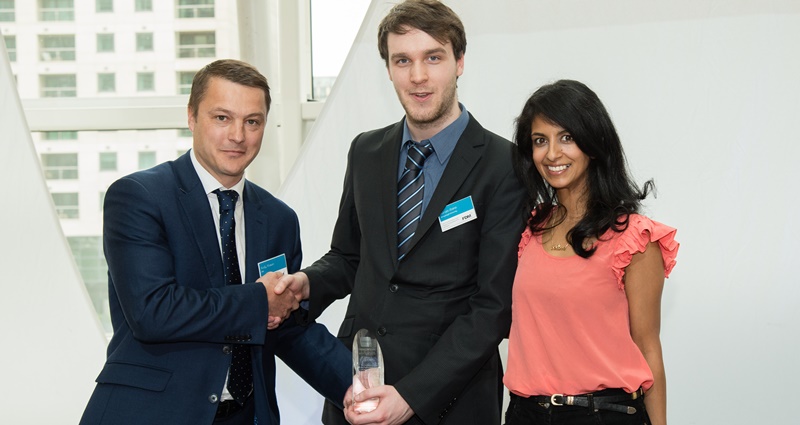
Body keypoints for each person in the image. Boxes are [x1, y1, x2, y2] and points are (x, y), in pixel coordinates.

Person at [274, 1, 525, 424]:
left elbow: (493, 307)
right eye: (402, 60)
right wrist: (305, 285)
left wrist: (411, 395)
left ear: (460, 62)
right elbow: (349, 257)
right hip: (357, 392)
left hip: (451, 402)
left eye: (433, 57)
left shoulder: (506, 165)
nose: (418, 76)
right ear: (388, 69)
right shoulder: (366, 151)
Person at [79, 59, 350, 425]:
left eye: (252, 121)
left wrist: (361, 389)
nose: (238, 135)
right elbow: (153, 313)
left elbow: (284, 325)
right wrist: (259, 299)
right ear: (192, 117)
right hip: (151, 414)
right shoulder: (139, 196)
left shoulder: (278, 219)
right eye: (222, 118)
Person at [503, 79, 679, 425]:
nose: (552, 153)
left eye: (566, 137)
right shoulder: (529, 229)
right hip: (525, 414)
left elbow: (648, 348)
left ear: (593, 144)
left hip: (603, 415)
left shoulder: (634, 239)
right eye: (540, 141)